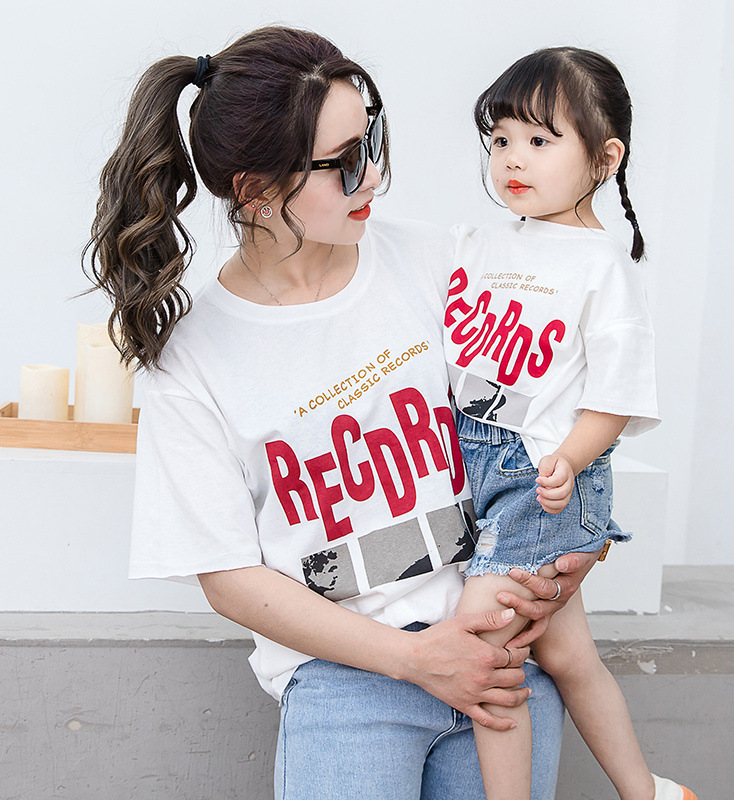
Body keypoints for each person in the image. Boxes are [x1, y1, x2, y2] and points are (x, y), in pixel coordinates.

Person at [82, 27, 602, 800]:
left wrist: (578, 543)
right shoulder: (193, 359)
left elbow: (544, 415)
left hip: (502, 660)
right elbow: (228, 576)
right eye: (347, 162)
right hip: (347, 682)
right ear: (254, 190)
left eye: (374, 139)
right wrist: (417, 660)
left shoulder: (445, 262)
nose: (376, 176)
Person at [444, 48, 697, 800]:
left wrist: (571, 459)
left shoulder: (601, 266)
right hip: (477, 465)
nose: (512, 159)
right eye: (500, 139)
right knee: (566, 654)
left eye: (539, 140)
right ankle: (650, 792)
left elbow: (617, 395)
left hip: (543, 476)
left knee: (487, 652)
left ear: (604, 159)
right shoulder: (478, 243)